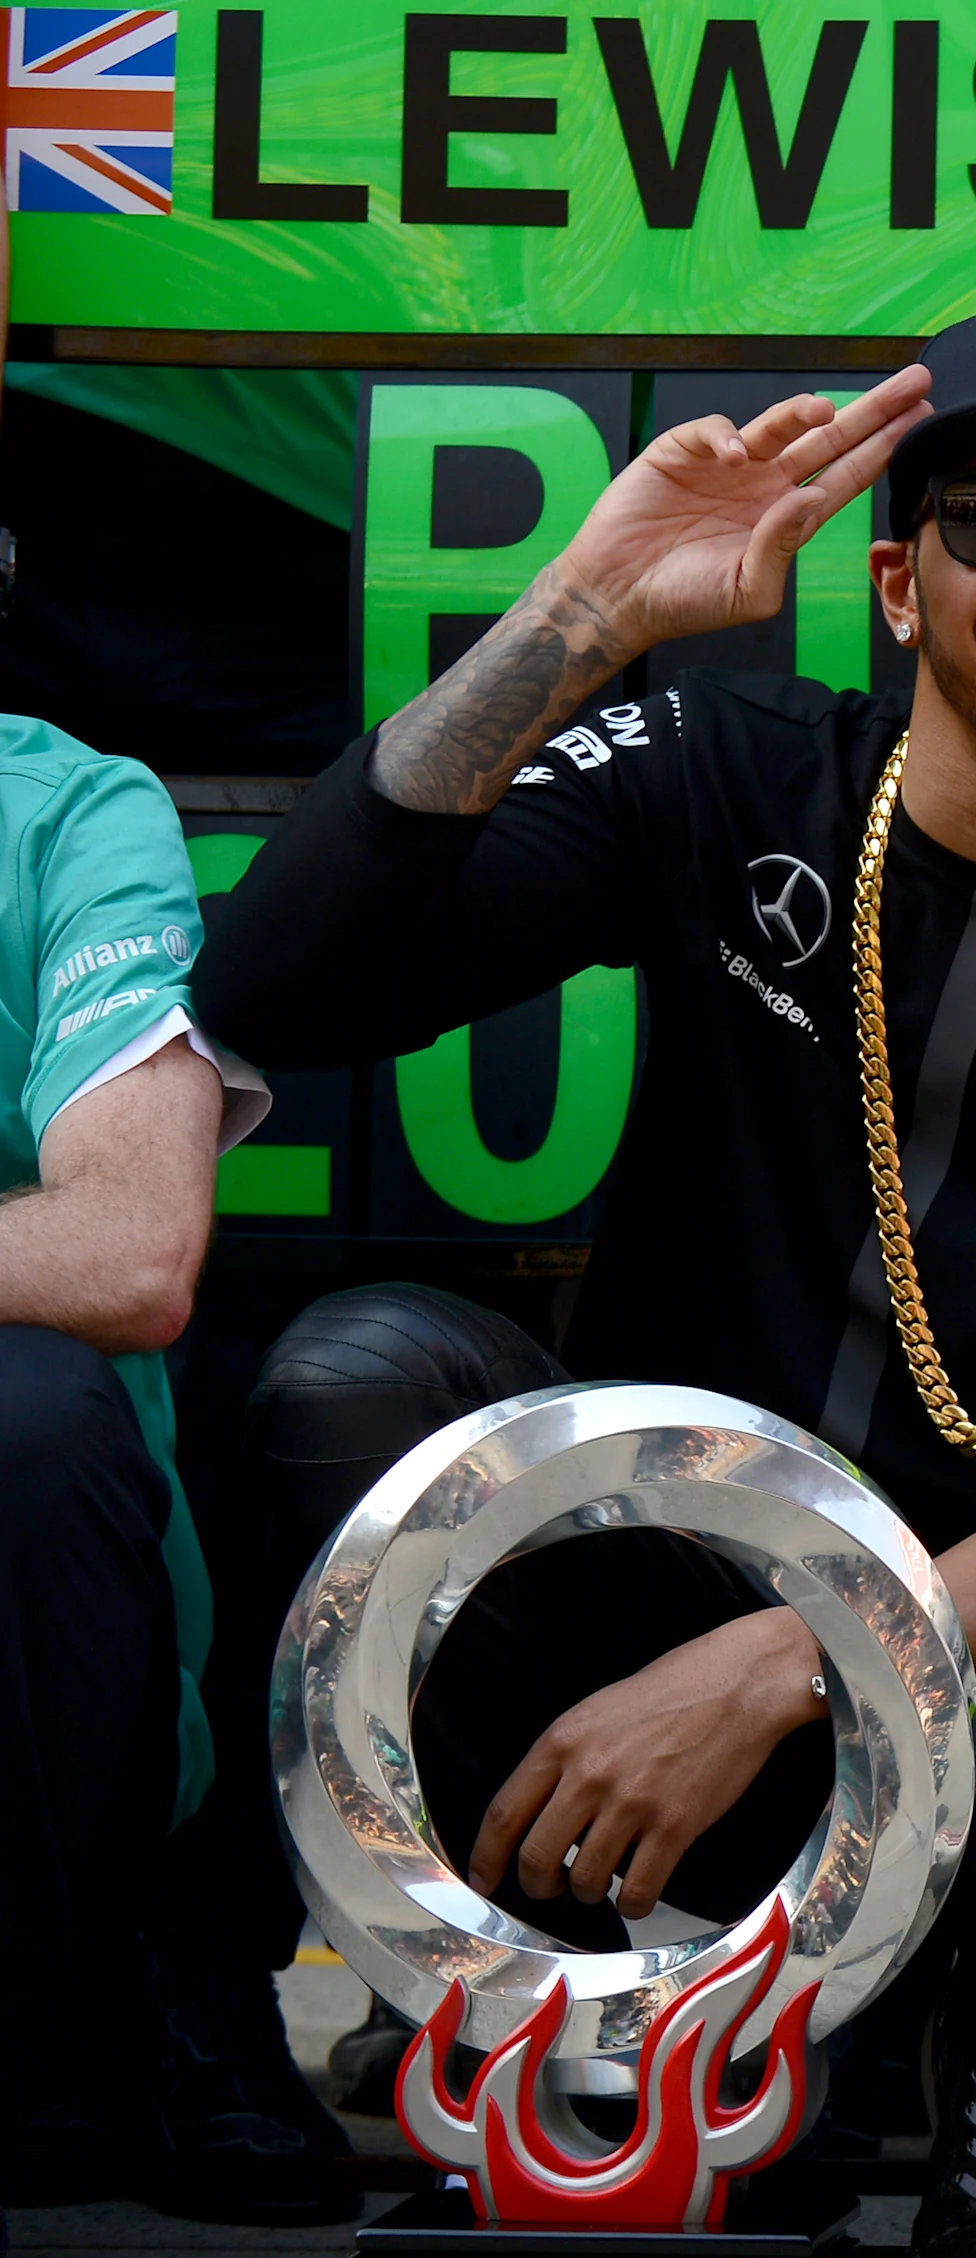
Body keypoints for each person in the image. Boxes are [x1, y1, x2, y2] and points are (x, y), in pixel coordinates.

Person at [192, 291, 976, 2258]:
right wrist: (578, 616)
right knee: (358, 1389)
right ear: (895, 575)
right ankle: (583, 2015)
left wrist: (789, 1653)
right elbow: (281, 987)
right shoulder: (724, 765)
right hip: (650, 1574)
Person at [0, 717, 271, 2213]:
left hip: (63, 1723)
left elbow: (131, 1249)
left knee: (29, 1410)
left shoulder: (67, 810)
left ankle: (56, 2022)